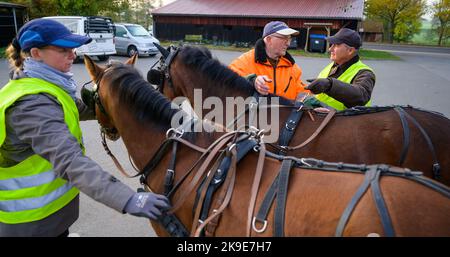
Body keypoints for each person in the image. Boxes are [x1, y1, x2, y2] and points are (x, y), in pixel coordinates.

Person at [0, 18, 170, 237]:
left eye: (72, 49)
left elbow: (86, 108)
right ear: (35, 53)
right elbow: (70, 161)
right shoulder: (31, 105)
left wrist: (131, 100)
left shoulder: (46, 86)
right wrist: (127, 198)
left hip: (51, 216)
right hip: (30, 224)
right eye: (63, 50)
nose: (73, 55)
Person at [229, 21, 308, 100]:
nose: (288, 43)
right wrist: (251, 81)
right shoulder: (245, 62)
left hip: (285, 112)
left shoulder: (292, 68)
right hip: (254, 111)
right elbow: (227, 82)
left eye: (289, 38)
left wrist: (311, 99)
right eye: (284, 38)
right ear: (269, 39)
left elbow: (300, 92)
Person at [305, 28, 376, 110]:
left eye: (336, 45)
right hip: (322, 118)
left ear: (350, 50)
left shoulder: (365, 73)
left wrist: (329, 85)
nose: (330, 49)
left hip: (344, 121)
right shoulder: (333, 65)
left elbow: (361, 96)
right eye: (332, 45)